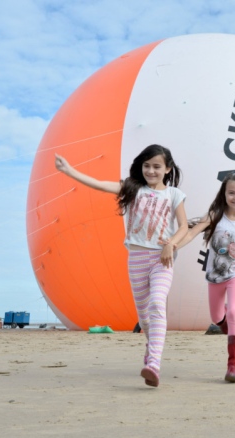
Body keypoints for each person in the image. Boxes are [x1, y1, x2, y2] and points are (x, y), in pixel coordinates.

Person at [55, 144, 188, 388]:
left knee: (158, 303)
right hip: (136, 260)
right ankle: (151, 349)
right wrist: (70, 171)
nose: (151, 170)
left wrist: (171, 243)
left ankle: (154, 364)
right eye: (146, 166)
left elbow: (183, 226)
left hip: (162, 259)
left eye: (157, 166)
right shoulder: (132, 188)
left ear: (167, 169)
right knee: (144, 318)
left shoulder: (174, 194)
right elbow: (99, 184)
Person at [173, 172, 235, 383]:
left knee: (234, 311)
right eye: (231, 193)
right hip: (215, 275)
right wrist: (173, 246)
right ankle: (228, 326)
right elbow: (190, 234)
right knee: (217, 318)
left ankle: (233, 366)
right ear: (224, 194)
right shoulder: (214, 216)